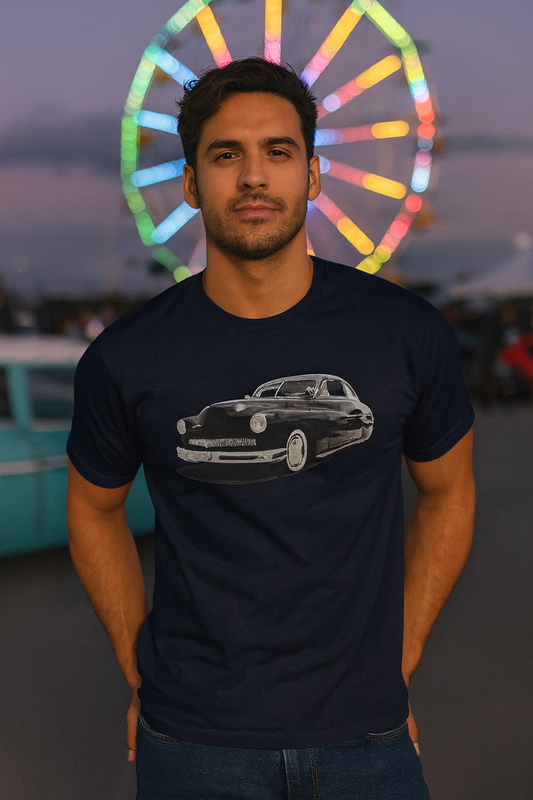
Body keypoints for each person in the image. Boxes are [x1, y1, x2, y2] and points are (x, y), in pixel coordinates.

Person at [67, 58, 475, 799]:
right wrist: (142, 672)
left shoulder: (405, 335)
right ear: (190, 183)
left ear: (312, 175)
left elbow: (449, 493)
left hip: (367, 737)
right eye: (226, 155)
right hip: (192, 740)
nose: (252, 177)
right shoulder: (126, 356)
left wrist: (398, 657)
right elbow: (93, 510)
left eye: (277, 152)